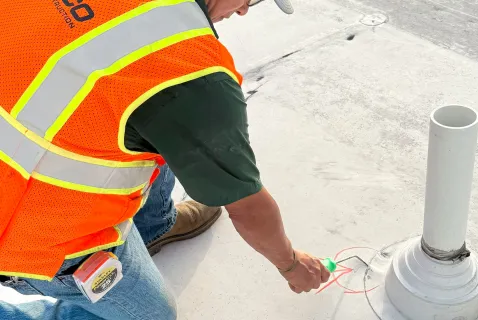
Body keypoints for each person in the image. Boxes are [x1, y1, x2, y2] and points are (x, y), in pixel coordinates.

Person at [0, 0, 330, 318]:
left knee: (154, 118)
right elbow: (247, 206)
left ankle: (154, 227)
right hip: (21, 231)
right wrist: (292, 264)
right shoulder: (190, 74)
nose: (244, 10)